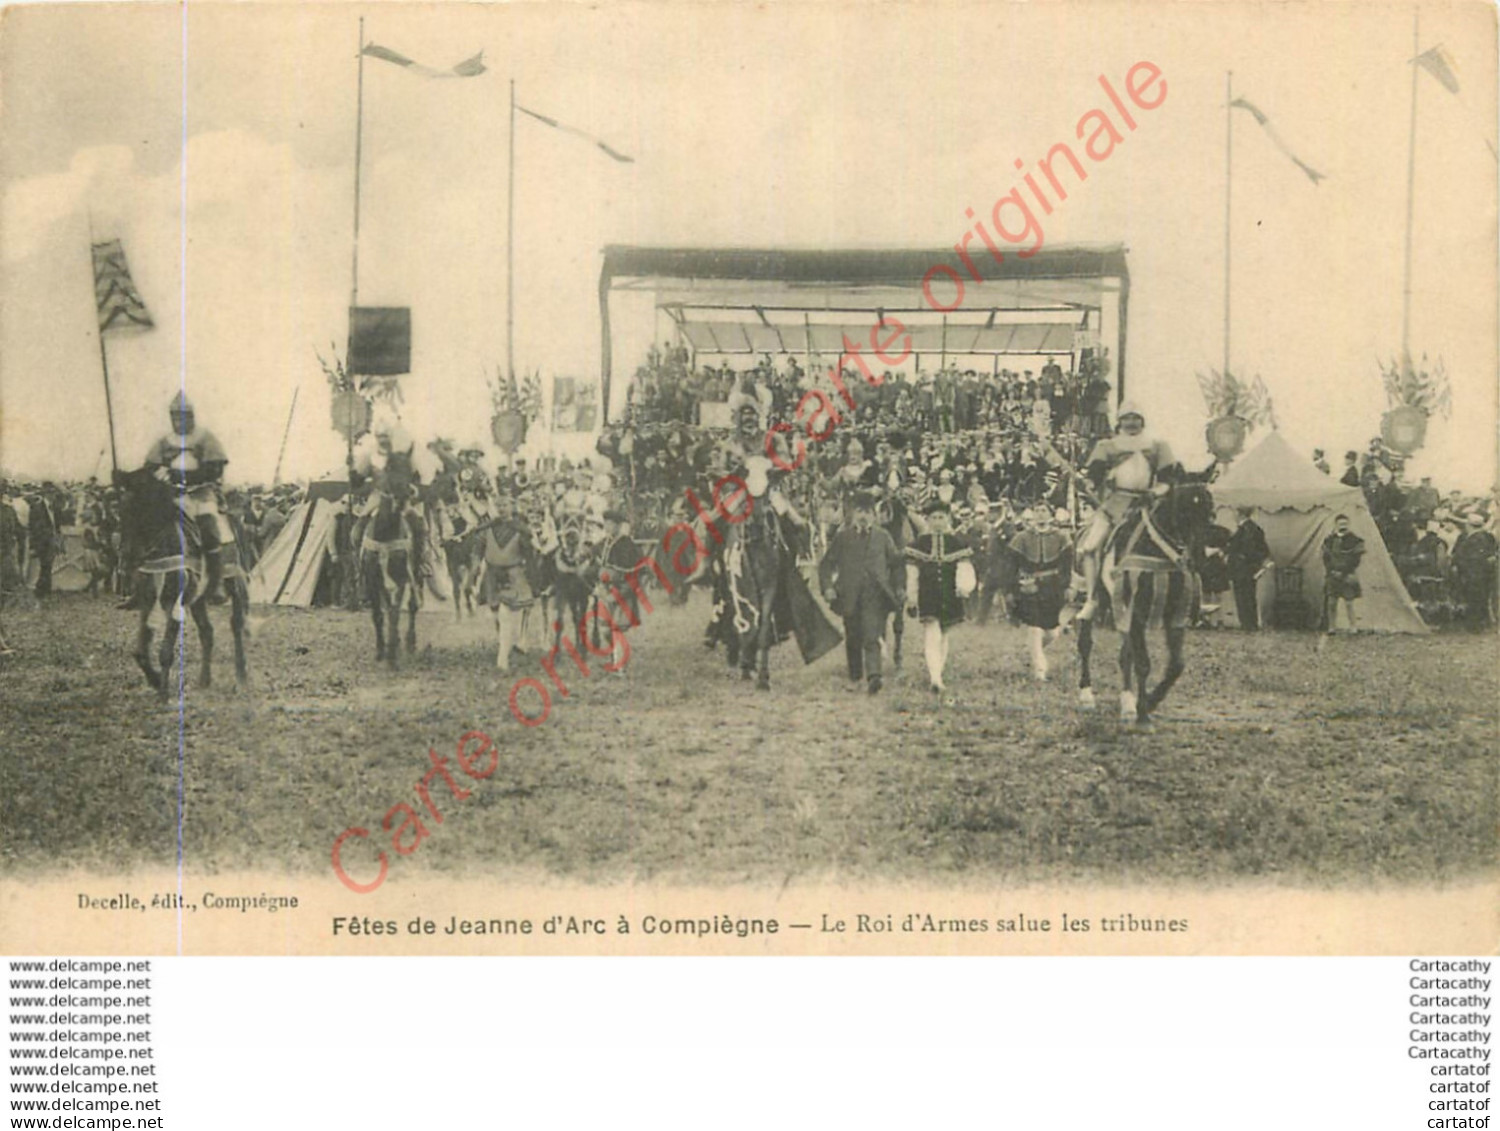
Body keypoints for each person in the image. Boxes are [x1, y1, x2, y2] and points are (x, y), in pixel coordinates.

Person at [1075, 399, 1179, 621]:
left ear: (1142, 421)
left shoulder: (1158, 446)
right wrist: (1087, 484)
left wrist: (1155, 493)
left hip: (1146, 504)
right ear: (1120, 421)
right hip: (1114, 505)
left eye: (1135, 418)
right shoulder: (1107, 446)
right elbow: (1093, 477)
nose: (1131, 423)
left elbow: (1168, 480)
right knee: (1090, 547)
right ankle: (1091, 598)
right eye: (1127, 418)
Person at [142, 391, 230, 603]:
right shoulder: (164, 442)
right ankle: (142, 584)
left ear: (191, 417)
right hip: (172, 493)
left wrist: (187, 476)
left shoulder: (205, 438)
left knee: (209, 527)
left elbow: (214, 468)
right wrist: (162, 476)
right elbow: (151, 466)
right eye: (174, 417)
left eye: (182, 417)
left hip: (201, 493)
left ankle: (216, 583)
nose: (178, 421)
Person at [819, 491, 904, 694]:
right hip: (849, 593)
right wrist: (828, 588)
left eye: (867, 512)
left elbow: (897, 564)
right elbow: (826, 566)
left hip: (876, 594)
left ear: (874, 515)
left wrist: (899, 587)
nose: (863, 516)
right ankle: (855, 673)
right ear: (852, 514)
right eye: (859, 511)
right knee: (853, 634)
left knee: (872, 633)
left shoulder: (883, 537)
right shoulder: (842, 537)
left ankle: (874, 675)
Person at [904, 498, 975, 697]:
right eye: (933, 518)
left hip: (950, 594)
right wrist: (912, 596)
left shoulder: (957, 543)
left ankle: (938, 672)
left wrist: (964, 587)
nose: (937, 521)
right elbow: (911, 573)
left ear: (948, 519)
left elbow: (965, 568)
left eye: (941, 517)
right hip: (928, 594)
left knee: (944, 635)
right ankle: (935, 677)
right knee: (932, 633)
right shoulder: (919, 544)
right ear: (927, 520)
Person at [1008, 507, 1073, 682]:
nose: (1040, 514)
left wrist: (1067, 587)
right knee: (1034, 628)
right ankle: (1039, 669)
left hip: (1053, 587)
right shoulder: (1022, 538)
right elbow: (1011, 566)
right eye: (1037, 511)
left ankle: (1030, 652)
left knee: (1052, 632)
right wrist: (1012, 590)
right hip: (1029, 587)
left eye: (1044, 511)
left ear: (1051, 515)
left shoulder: (1061, 537)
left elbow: (1067, 565)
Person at [1225, 506, 1272, 631]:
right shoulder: (1255, 528)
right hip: (1249, 568)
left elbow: (1246, 548)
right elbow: (1264, 550)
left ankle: (1247, 624)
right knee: (1249, 596)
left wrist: (1240, 557)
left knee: (1242, 596)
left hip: (1241, 568)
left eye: (1235, 513)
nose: (1233, 516)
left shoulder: (1245, 530)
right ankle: (1250, 624)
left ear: (1241, 514)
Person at [1450, 512, 1497, 631]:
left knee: (1474, 598)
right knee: (1480, 597)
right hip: (1481, 572)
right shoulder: (1487, 537)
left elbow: (1471, 557)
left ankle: (1475, 625)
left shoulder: (1475, 539)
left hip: (1474, 572)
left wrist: (1458, 564)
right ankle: (1480, 623)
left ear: (1469, 525)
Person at [1321, 513, 1365, 634]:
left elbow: (1356, 560)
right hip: (1332, 575)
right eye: (1340, 523)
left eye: (1345, 523)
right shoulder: (1329, 540)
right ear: (1336, 524)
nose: (1343, 526)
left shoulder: (1355, 540)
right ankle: (1332, 627)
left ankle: (1353, 627)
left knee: (1349, 602)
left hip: (1347, 575)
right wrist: (1331, 570)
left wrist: (1344, 571)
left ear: (1348, 524)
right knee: (1331, 603)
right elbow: (1325, 559)